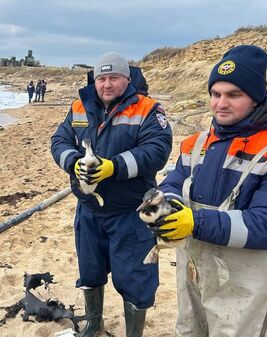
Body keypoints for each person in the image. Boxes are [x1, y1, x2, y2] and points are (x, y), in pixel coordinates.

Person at [156, 45, 267, 337]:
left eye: (234, 95)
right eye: (215, 94)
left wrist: (194, 222)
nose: (221, 104)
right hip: (194, 271)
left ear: (255, 98)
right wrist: (167, 208)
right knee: (188, 331)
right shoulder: (195, 144)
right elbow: (173, 183)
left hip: (246, 288)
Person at [51, 52, 172, 337]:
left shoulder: (148, 109)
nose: (107, 85)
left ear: (126, 79)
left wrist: (112, 167)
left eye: (114, 78)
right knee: (91, 272)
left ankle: (134, 333)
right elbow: (59, 140)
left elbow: (157, 151)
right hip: (89, 212)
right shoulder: (79, 106)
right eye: (101, 78)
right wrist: (73, 162)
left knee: (135, 278)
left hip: (130, 213)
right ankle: (94, 325)